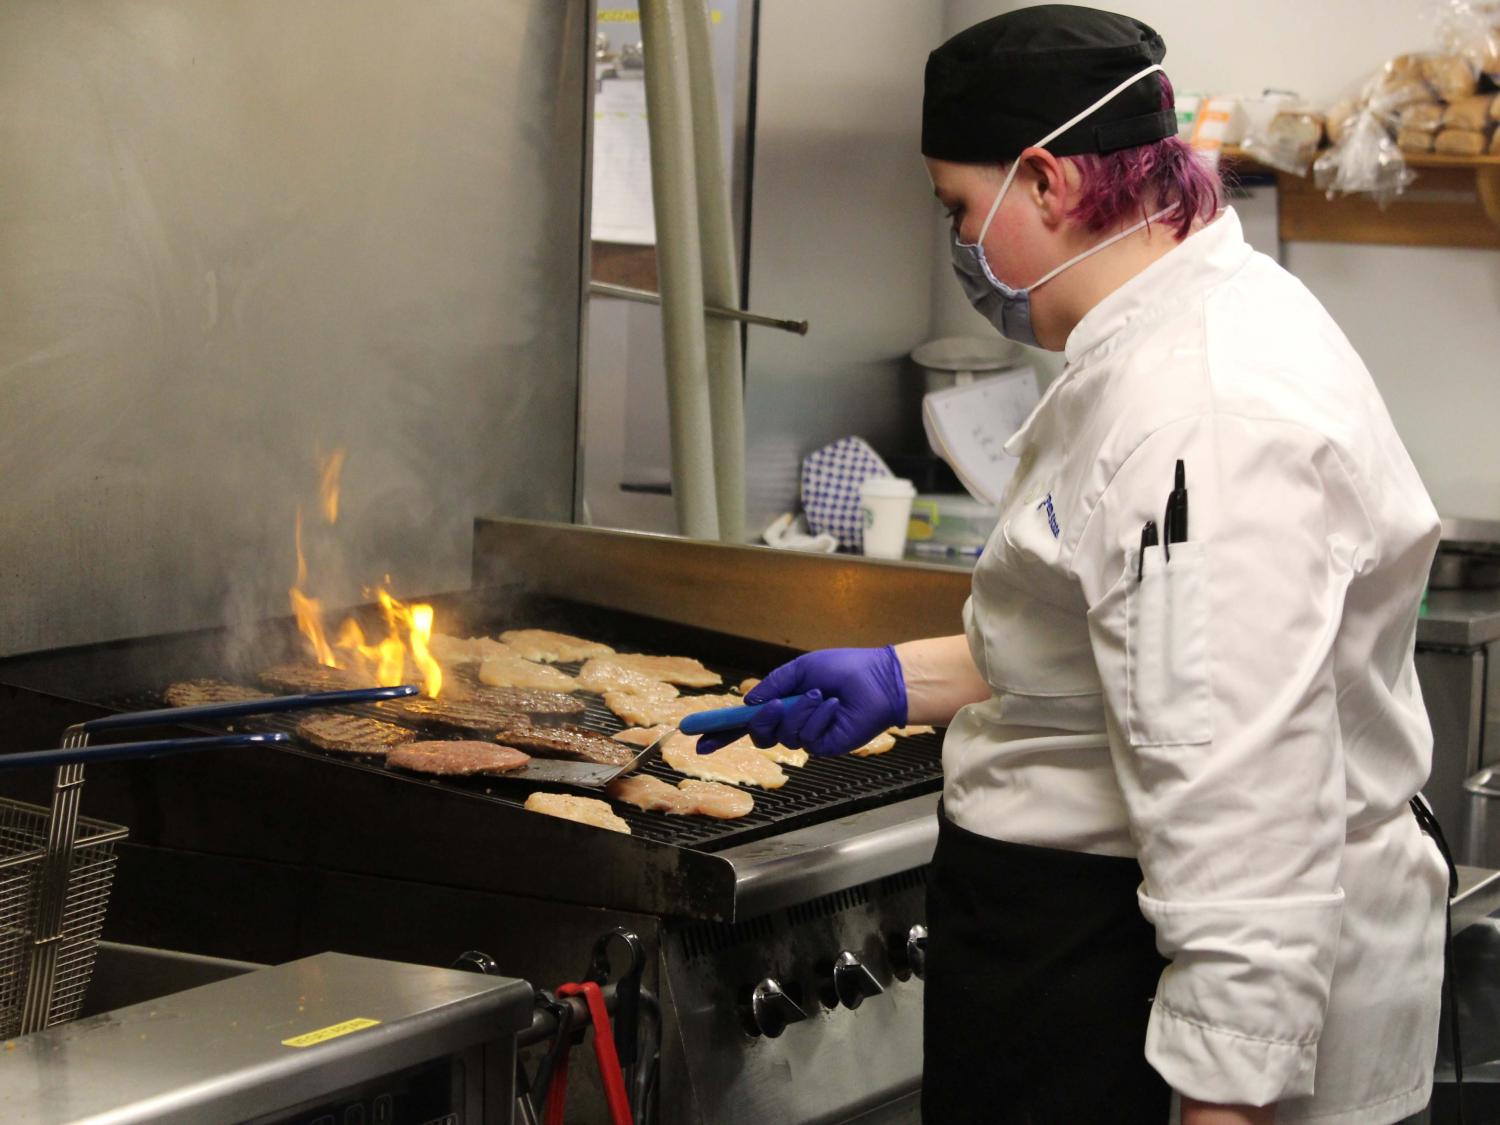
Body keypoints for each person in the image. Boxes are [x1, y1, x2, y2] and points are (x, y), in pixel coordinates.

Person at [699, 6, 1449, 1123]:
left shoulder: (1206, 410)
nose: (961, 249)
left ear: (1047, 182)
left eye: (961, 208)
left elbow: (1241, 800)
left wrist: (1221, 1106)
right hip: (1071, 953)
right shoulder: (1170, 334)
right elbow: (1139, 642)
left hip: (1118, 978)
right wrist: (908, 680)